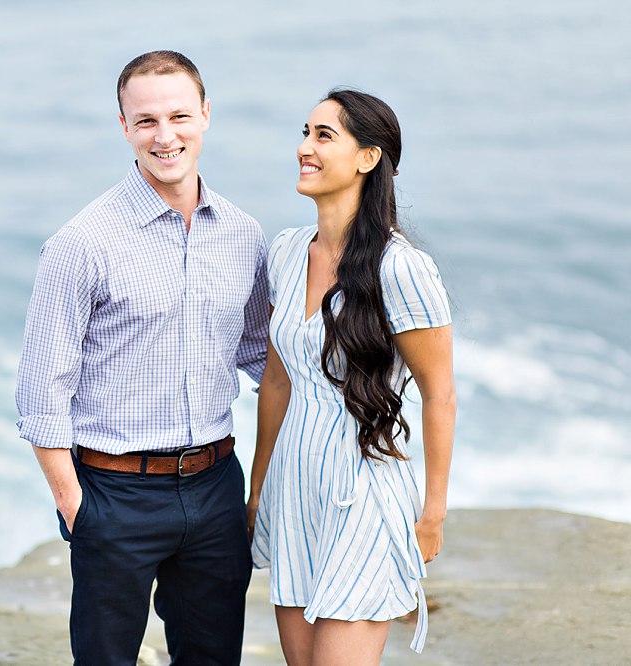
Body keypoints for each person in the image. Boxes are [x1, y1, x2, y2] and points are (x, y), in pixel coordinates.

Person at [15, 50, 269, 665]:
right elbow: (40, 393)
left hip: (214, 488)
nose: (165, 135)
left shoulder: (244, 235)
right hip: (113, 494)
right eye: (147, 120)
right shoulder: (82, 244)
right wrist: (79, 511)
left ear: (205, 116)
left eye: (179, 116)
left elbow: (264, 358)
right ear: (124, 126)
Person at [248, 89, 456, 665]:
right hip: (294, 487)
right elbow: (277, 382)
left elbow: (439, 392)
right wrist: (259, 486)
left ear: (368, 157)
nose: (303, 148)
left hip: (362, 488)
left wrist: (433, 512)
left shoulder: (402, 267)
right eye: (305, 132)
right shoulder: (286, 253)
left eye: (323, 136)